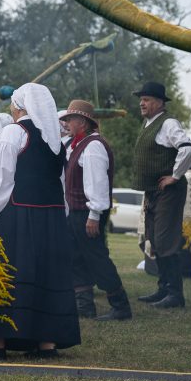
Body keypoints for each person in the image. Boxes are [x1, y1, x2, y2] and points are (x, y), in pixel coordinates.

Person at [0, 83, 80, 359]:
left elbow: (0, 181)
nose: (11, 109)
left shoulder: (13, 133)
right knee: (45, 275)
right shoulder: (56, 141)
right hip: (51, 219)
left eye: (13, 105)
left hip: (18, 217)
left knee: (7, 274)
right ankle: (46, 343)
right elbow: (60, 184)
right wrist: (59, 219)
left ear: (19, 106)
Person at [60, 100, 131, 321]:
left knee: (97, 258)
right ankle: (84, 305)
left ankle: (120, 306)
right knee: (76, 257)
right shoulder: (78, 144)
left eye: (70, 119)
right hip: (78, 211)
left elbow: (97, 184)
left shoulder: (93, 147)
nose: (67, 124)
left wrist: (93, 215)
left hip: (87, 213)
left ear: (81, 122)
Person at [131, 81, 191, 310]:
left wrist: (175, 176)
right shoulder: (149, 124)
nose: (142, 103)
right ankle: (163, 288)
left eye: (146, 99)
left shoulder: (168, 123)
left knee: (166, 240)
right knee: (156, 240)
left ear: (159, 103)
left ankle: (175, 294)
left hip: (169, 190)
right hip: (154, 191)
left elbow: (187, 148)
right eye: (141, 99)